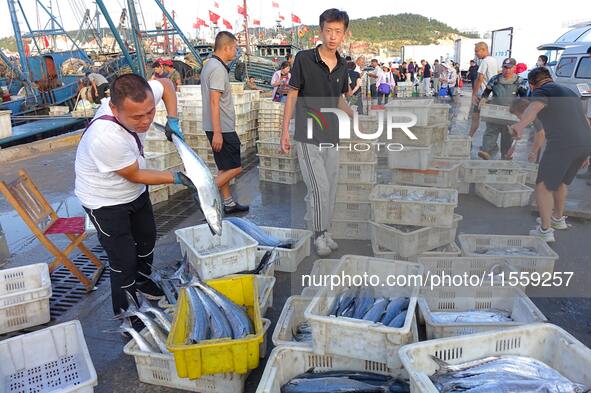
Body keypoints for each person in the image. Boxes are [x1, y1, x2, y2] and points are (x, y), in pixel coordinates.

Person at [75, 74, 191, 315]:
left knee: (147, 240)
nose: (146, 121)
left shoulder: (141, 98)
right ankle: (127, 313)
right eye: (137, 117)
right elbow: (135, 174)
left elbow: (167, 85)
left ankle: (142, 280)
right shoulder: (105, 136)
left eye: (150, 112)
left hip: (134, 193)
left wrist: (172, 119)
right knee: (123, 261)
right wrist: (177, 178)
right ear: (115, 109)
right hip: (104, 202)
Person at [280, 8, 353, 256]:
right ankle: (319, 235)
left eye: (338, 32)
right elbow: (292, 95)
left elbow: (340, 99)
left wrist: (357, 119)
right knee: (319, 187)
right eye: (329, 30)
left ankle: (323, 229)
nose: (333, 36)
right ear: (320, 31)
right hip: (308, 135)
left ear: (344, 34)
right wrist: (284, 132)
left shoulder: (343, 64)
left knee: (329, 187)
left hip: (332, 136)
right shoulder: (303, 58)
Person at [510, 67, 591, 242]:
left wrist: (521, 125)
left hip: (563, 143)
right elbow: (584, 119)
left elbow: (534, 107)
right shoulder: (569, 92)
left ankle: (545, 230)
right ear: (550, 77)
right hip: (585, 141)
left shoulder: (542, 90)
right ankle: (557, 219)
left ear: (532, 84)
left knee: (543, 186)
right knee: (561, 182)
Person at [201, 31, 249, 215]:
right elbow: (214, 101)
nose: (235, 52)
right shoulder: (218, 69)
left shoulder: (209, 65)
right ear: (226, 47)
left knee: (224, 168)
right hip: (222, 128)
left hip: (214, 126)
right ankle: (204, 193)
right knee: (236, 167)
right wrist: (219, 132)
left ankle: (228, 203)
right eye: (235, 48)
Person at [477, 58, 529, 160]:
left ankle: (505, 157)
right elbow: (486, 93)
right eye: (505, 67)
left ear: (514, 68)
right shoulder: (495, 79)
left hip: (510, 114)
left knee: (507, 137)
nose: (507, 70)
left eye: (509, 68)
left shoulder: (520, 81)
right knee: (490, 133)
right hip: (494, 112)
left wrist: (523, 115)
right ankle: (486, 152)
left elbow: (523, 99)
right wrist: (483, 100)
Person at [468, 42, 499, 138]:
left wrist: (474, 94)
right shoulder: (494, 60)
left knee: (475, 117)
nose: (476, 54)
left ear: (484, 50)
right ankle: (490, 144)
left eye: (477, 51)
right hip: (492, 95)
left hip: (483, 95)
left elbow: (479, 78)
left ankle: (469, 138)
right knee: (490, 122)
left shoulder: (485, 61)